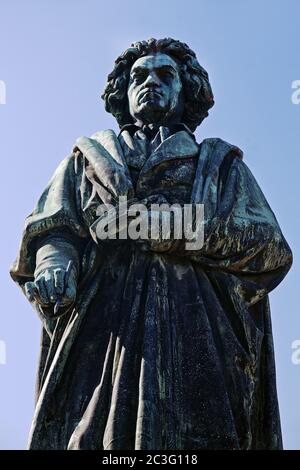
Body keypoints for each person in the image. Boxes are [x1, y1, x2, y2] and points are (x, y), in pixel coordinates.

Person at [11, 37, 293, 450]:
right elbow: (54, 229)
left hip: (195, 332)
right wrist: (56, 264)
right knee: (91, 437)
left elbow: (268, 246)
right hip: (104, 332)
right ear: (123, 92)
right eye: (139, 76)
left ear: (187, 89)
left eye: (166, 74)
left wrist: (171, 230)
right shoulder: (86, 161)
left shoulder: (218, 165)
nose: (151, 82)